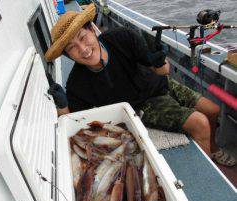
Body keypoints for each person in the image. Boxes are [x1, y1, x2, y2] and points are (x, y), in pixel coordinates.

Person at [45, 3, 236, 167]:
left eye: (82, 37)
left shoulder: (123, 37)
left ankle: (213, 149)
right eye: (72, 48)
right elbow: (73, 123)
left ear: (92, 29)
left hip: (160, 83)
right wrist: (62, 106)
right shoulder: (78, 84)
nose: (83, 49)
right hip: (143, 105)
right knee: (200, 123)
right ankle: (206, 169)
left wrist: (159, 62)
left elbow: (164, 71)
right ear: (68, 56)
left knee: (212, 110)